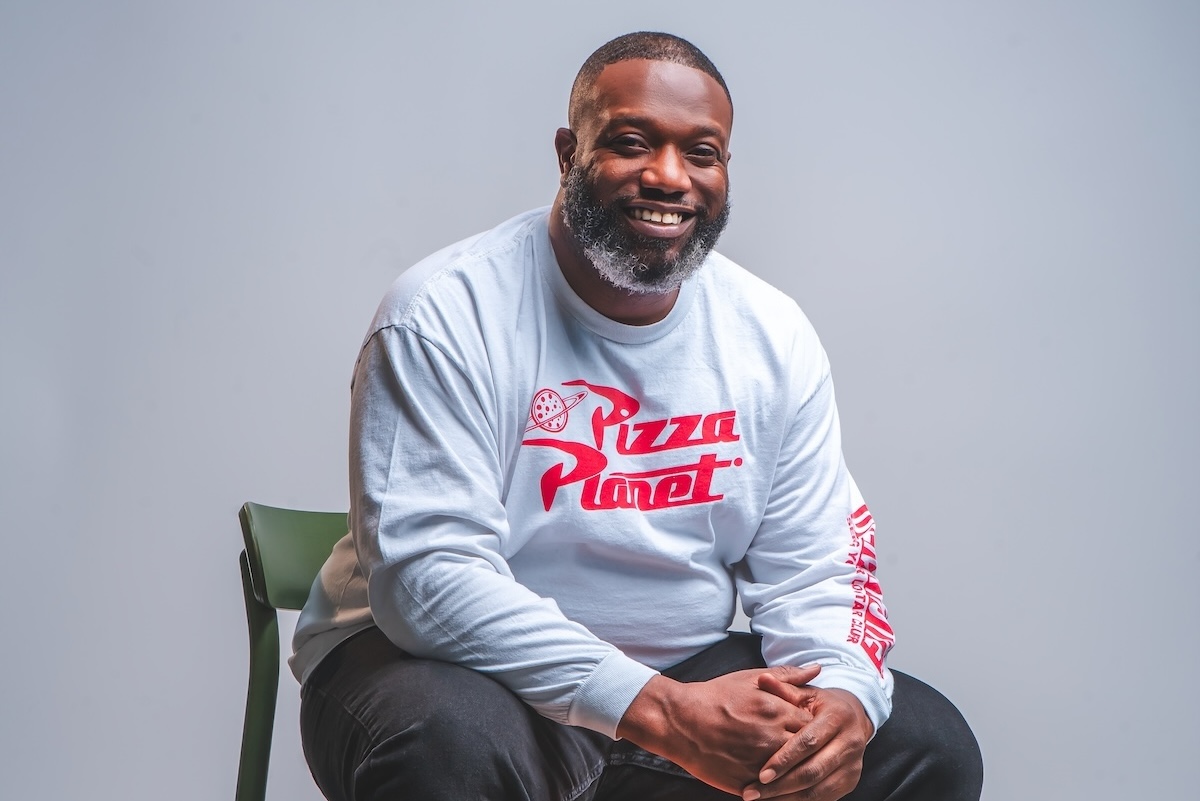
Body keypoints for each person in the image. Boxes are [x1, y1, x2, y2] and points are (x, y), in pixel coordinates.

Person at [291, 31, 983, 801]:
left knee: (924, 741)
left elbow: (818, 567)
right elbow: (429, 579)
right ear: (567, 153)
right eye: (631, 142)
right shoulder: (444, 314)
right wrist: (658, 711)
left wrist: (846, 699)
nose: (668, 176)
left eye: (702, 152)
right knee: (448, 739)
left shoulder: (771, 335)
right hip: (454, 673)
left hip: (682, 674)